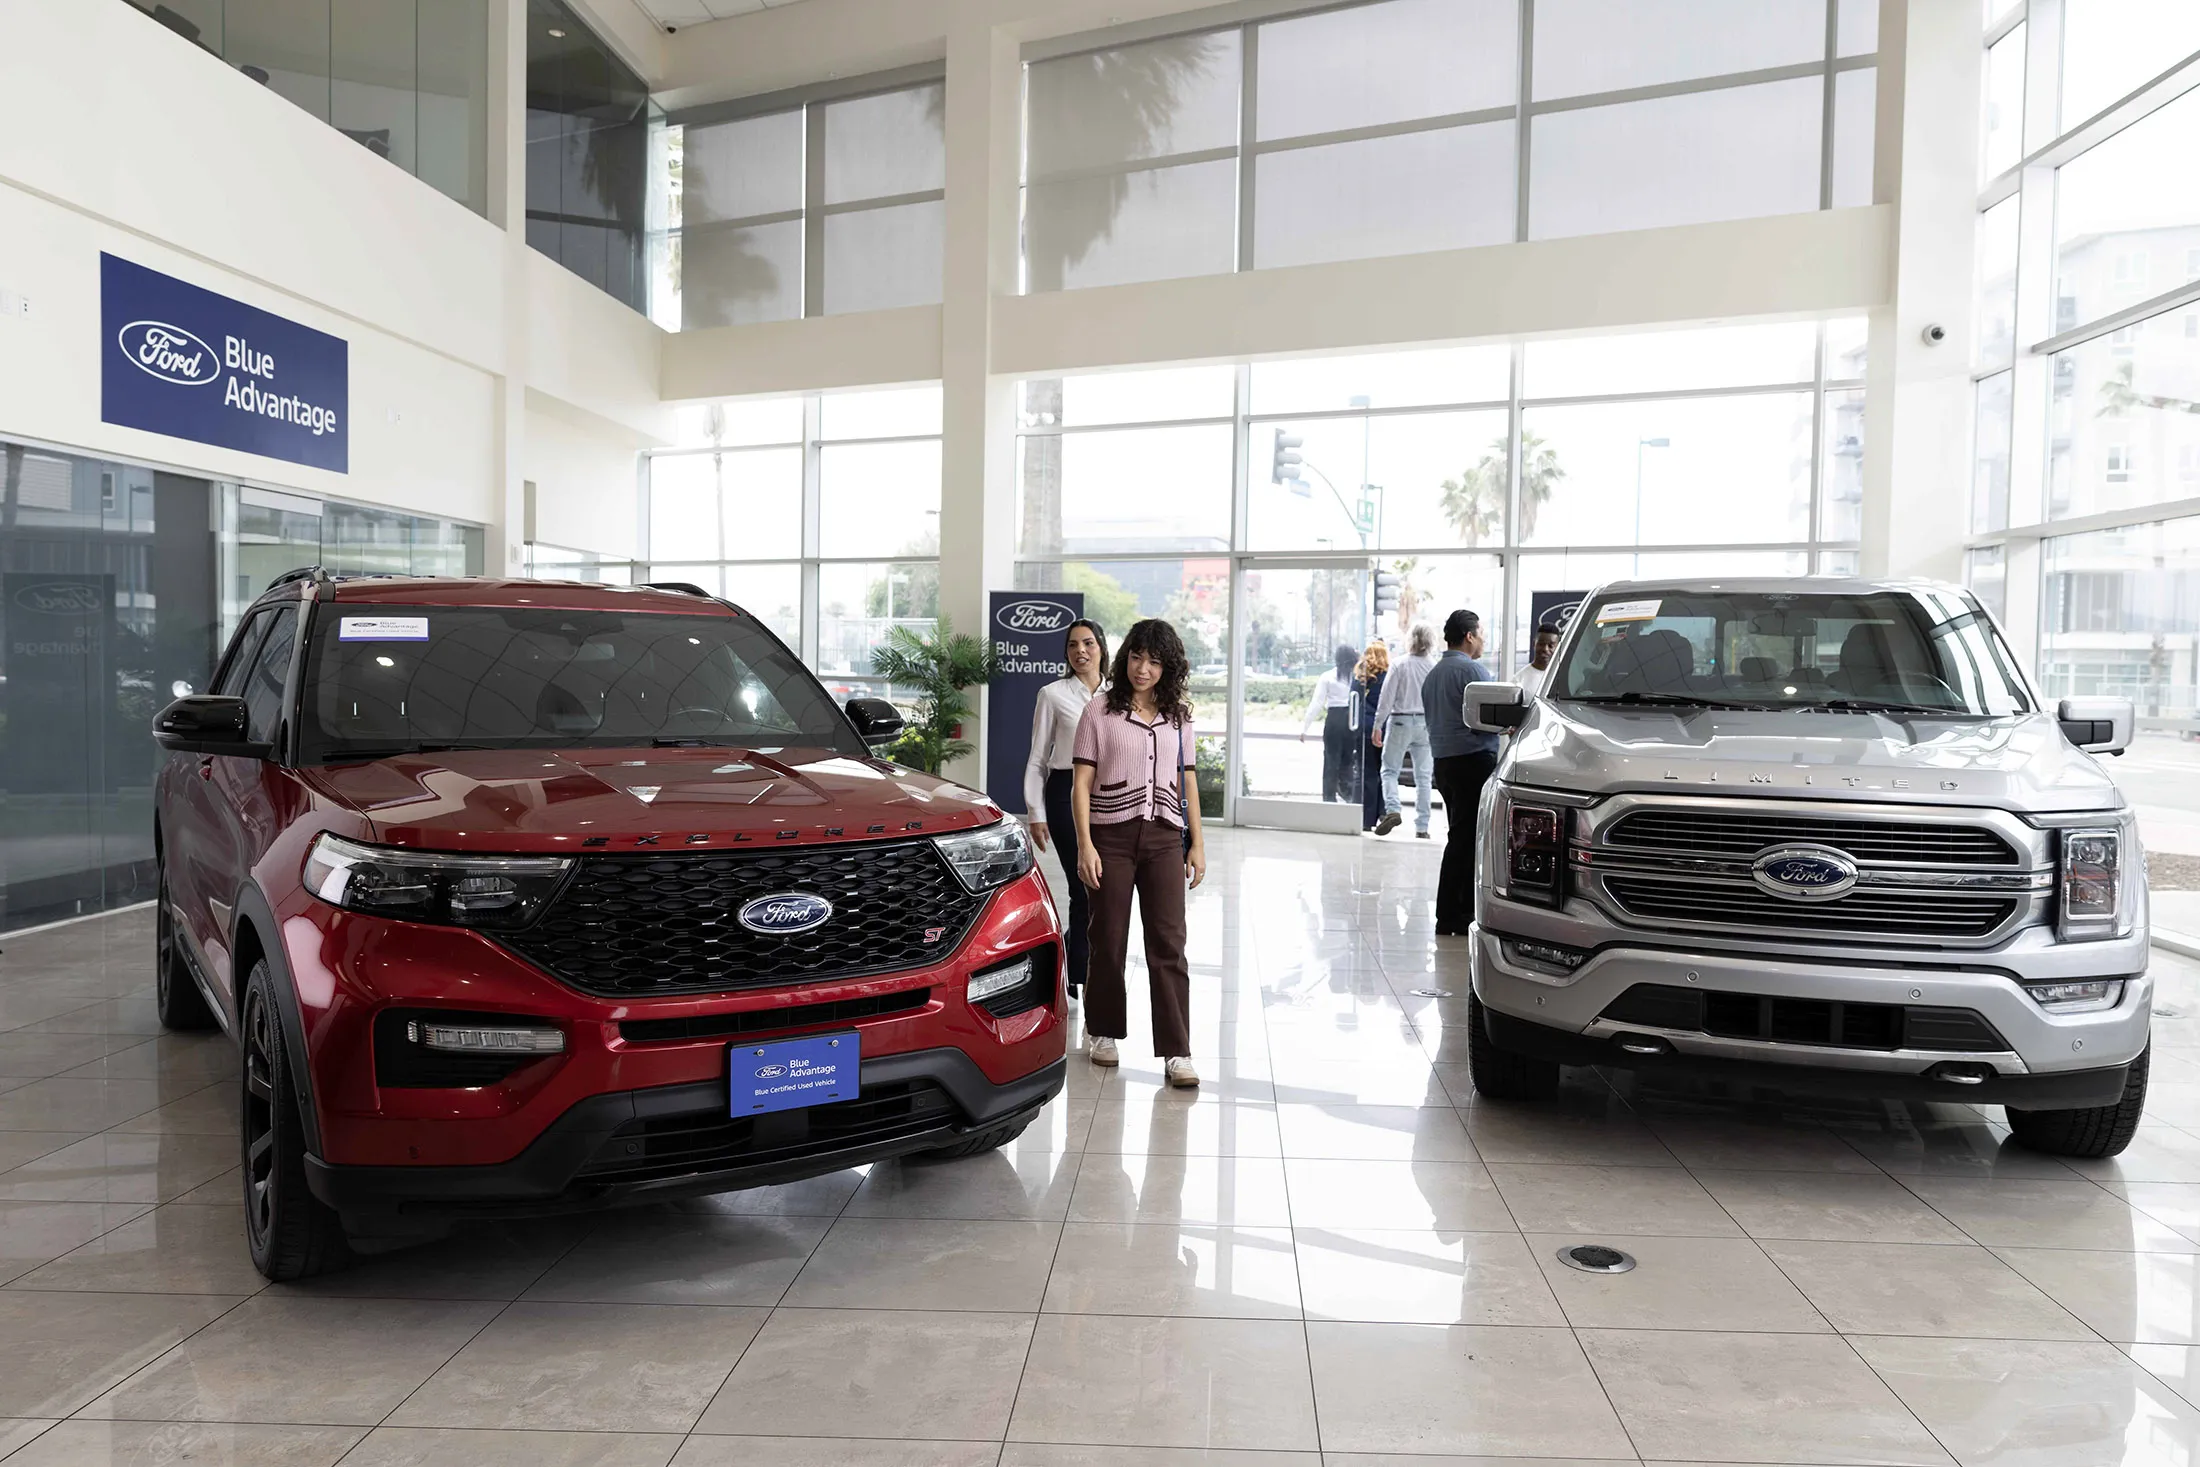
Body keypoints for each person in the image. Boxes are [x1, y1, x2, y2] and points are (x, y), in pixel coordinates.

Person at [1073, 618, 1208, 1088]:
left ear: (1168, 667)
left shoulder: (1179, 717)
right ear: (1125, 657)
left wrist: (1197, 842)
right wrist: (1085, 844)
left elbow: (1188, 781)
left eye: (1153, 661)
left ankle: (1177, 1051)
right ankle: (1103, 1031)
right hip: (1110, 838)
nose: (1142, 669)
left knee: (1169, 945)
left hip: (1165, 839)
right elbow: (1081, 783)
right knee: (1108, 939)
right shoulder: (1099, 711)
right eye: (1136, 657)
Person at [1024, 618, 1108, 998]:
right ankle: (1084, 978)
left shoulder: (1117, 695)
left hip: (1109, 796)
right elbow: (1037, 759)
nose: (1080, 651)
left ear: (1101, 647)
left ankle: (1071, 953)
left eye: (1088, 643)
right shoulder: (1052, 694)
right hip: (1064, 793)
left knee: (1103, 887)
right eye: (1073, 645)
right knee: (1082, 884)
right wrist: (1035, 812)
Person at [1421, 609, 1499, 937]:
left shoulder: (1434, 675)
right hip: (1472, 762)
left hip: (1444, 764)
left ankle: (1460, 909)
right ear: (1469, 636)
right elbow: (1491, 719)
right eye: (1481, 635)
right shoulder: (1472, 672)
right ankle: (1451, 913)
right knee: (1465, 840)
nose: (1483, 641)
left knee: (1460, 835)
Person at [1372, 622, 1437, 838]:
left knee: (1390, 770)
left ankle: (1393, 809)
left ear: (1410, 640)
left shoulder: (1399, 664)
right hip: (1425, 724)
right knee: (1423, 777)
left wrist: (1378, 725)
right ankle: (1422, 827)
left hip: (1400, 721)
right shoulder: (1434, 667)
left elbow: (1386, 698)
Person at [1300, 644, 1360, 803]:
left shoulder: (1327, 677)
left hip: (1334, 719)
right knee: (1348, 759)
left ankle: (1329, 797)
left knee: (1331, 760)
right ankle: (1348, 793)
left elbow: (1317, 702)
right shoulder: (1358, 677)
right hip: (1353, 720)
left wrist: (1305, 727)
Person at [1354, 640, 1390, 831]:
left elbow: (1353, 703)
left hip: (1363, 728)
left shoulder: (1360, 677)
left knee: (1366, 772)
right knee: (1383, 771)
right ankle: (1382, 812)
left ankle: (1367, 819)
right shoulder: (1387, 677)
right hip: (1382, 728)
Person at [1517, 622, 1562, 698]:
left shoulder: (1565, 679)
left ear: (1557, 647)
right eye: (1541, 644)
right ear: (1534, 644)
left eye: (1551, 646)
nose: (1545, 649)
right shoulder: (1519, 681)